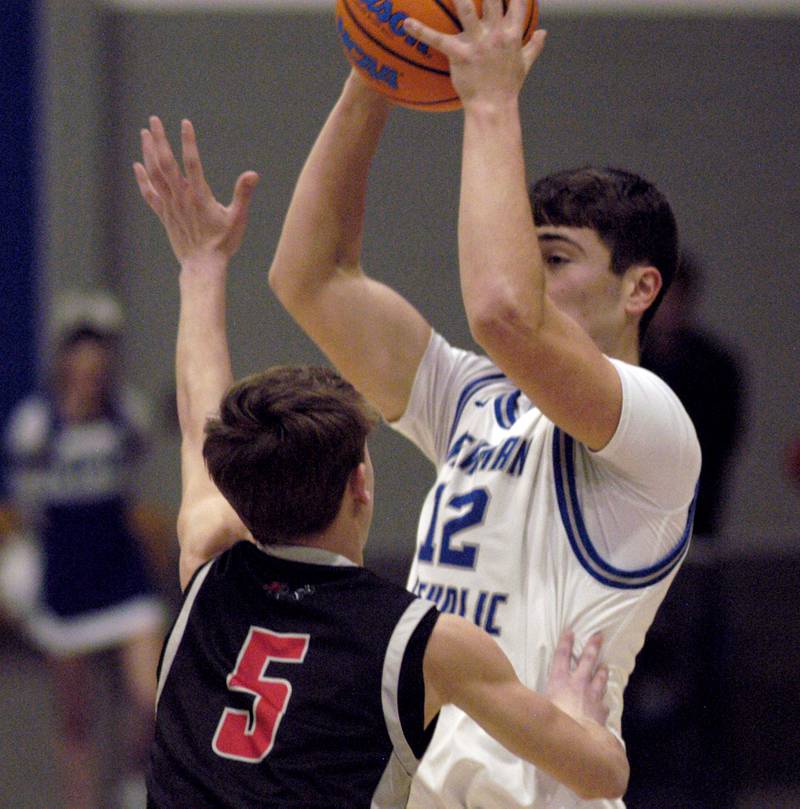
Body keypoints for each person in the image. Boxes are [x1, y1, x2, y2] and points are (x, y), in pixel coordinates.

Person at [267, 1, 701, 807]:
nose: (532, 273)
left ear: (641, 287)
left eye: (557, 257)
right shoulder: (473, 398)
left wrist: (492, 101)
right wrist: (378, 69)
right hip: (422, 784)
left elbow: (506, 312)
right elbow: (311, 277)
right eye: (527, 250)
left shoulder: (655, 426)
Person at [134, 115, 629, 808]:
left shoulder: (207, 562)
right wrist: (577, 710)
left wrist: (200, 267)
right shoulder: (424, 639)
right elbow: (601, 773)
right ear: (360, 483)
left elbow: (198, 417)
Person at [2, 290, 166, 809]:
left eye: (101, 348)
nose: (92, 360)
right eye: (81, 347)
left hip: (122, 573)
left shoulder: (127, 417)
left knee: (149, 696)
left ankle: (137, 786)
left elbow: (135, 483)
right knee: (77, 720)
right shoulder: (35, 428)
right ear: (64, 356)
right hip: (67, 580)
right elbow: (22, 510)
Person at [640, 249, 746, 538]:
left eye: (676, 296)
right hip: (634, 509)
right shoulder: (626, 364)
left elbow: (722, 441)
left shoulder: (717, 366)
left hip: (698, 505)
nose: (668, 306)